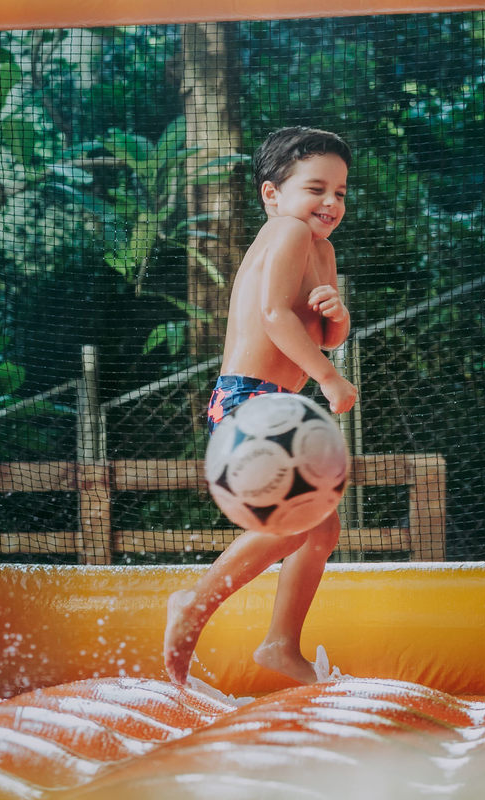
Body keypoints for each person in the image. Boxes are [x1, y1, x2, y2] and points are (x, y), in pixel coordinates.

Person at [164, 127, 357, 687]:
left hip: (277, 405)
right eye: (316, 188)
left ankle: (280, 645)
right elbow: (274, 316)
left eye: (340, 192)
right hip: (247, 398)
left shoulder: (322, 250)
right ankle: (194, 602)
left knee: (320, 531)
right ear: (272, 194)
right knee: (294, 524)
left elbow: (323, 335)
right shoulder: (287, 231)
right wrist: (329, 379)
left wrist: (337, 314)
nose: (330, 202)